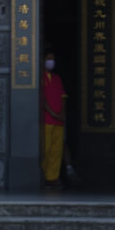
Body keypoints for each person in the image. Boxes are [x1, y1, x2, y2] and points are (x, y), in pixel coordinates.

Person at [41, 52, 67, 187]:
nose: (51, 61)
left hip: (59, 120)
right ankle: (42, 175)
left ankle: (52, 177)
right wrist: (52, 113)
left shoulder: (57, 78)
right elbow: (42, 99)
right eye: (49, 58)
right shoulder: (40, 78)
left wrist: (62, 113)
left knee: (56, 150)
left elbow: (63, 97)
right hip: (47, 119)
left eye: (53, 58)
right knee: (46, 149)